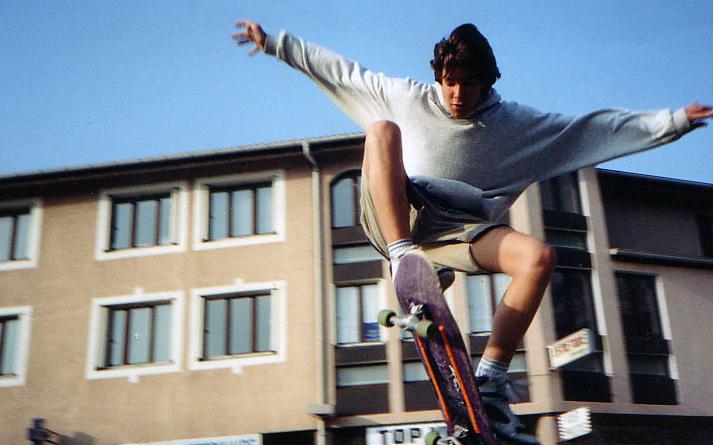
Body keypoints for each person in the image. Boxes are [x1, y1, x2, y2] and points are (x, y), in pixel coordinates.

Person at [233, 20, 712, 444]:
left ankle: (491, 378)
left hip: (456, 231)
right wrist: (276, 44)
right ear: (438, 77)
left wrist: (671, 122)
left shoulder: (516, 126)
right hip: (396, 214)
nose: (457, 95)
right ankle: (405, 259)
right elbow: (339, 71)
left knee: (538, 257)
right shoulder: (406, 96)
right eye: (449, 83)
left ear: (487, 81)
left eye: (468, 84)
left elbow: (591, 130)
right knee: (381, 130)